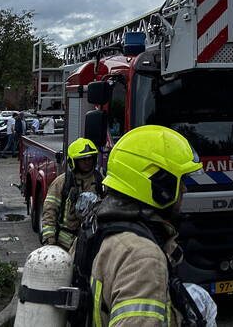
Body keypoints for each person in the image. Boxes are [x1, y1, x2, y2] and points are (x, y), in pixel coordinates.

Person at [78, 125, 209, 327]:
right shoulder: (142, 258)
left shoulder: (96, 226)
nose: (184, 188)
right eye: (179, 180)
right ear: (158, 184)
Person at [40, 138, 102, 248]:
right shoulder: (62, 182)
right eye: (83, 159)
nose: (87, 162)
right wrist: (49, 240)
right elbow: (50, 211)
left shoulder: (101, 181)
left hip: (93, 243)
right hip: (66, 244)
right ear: (73, 162)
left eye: (90, 158)